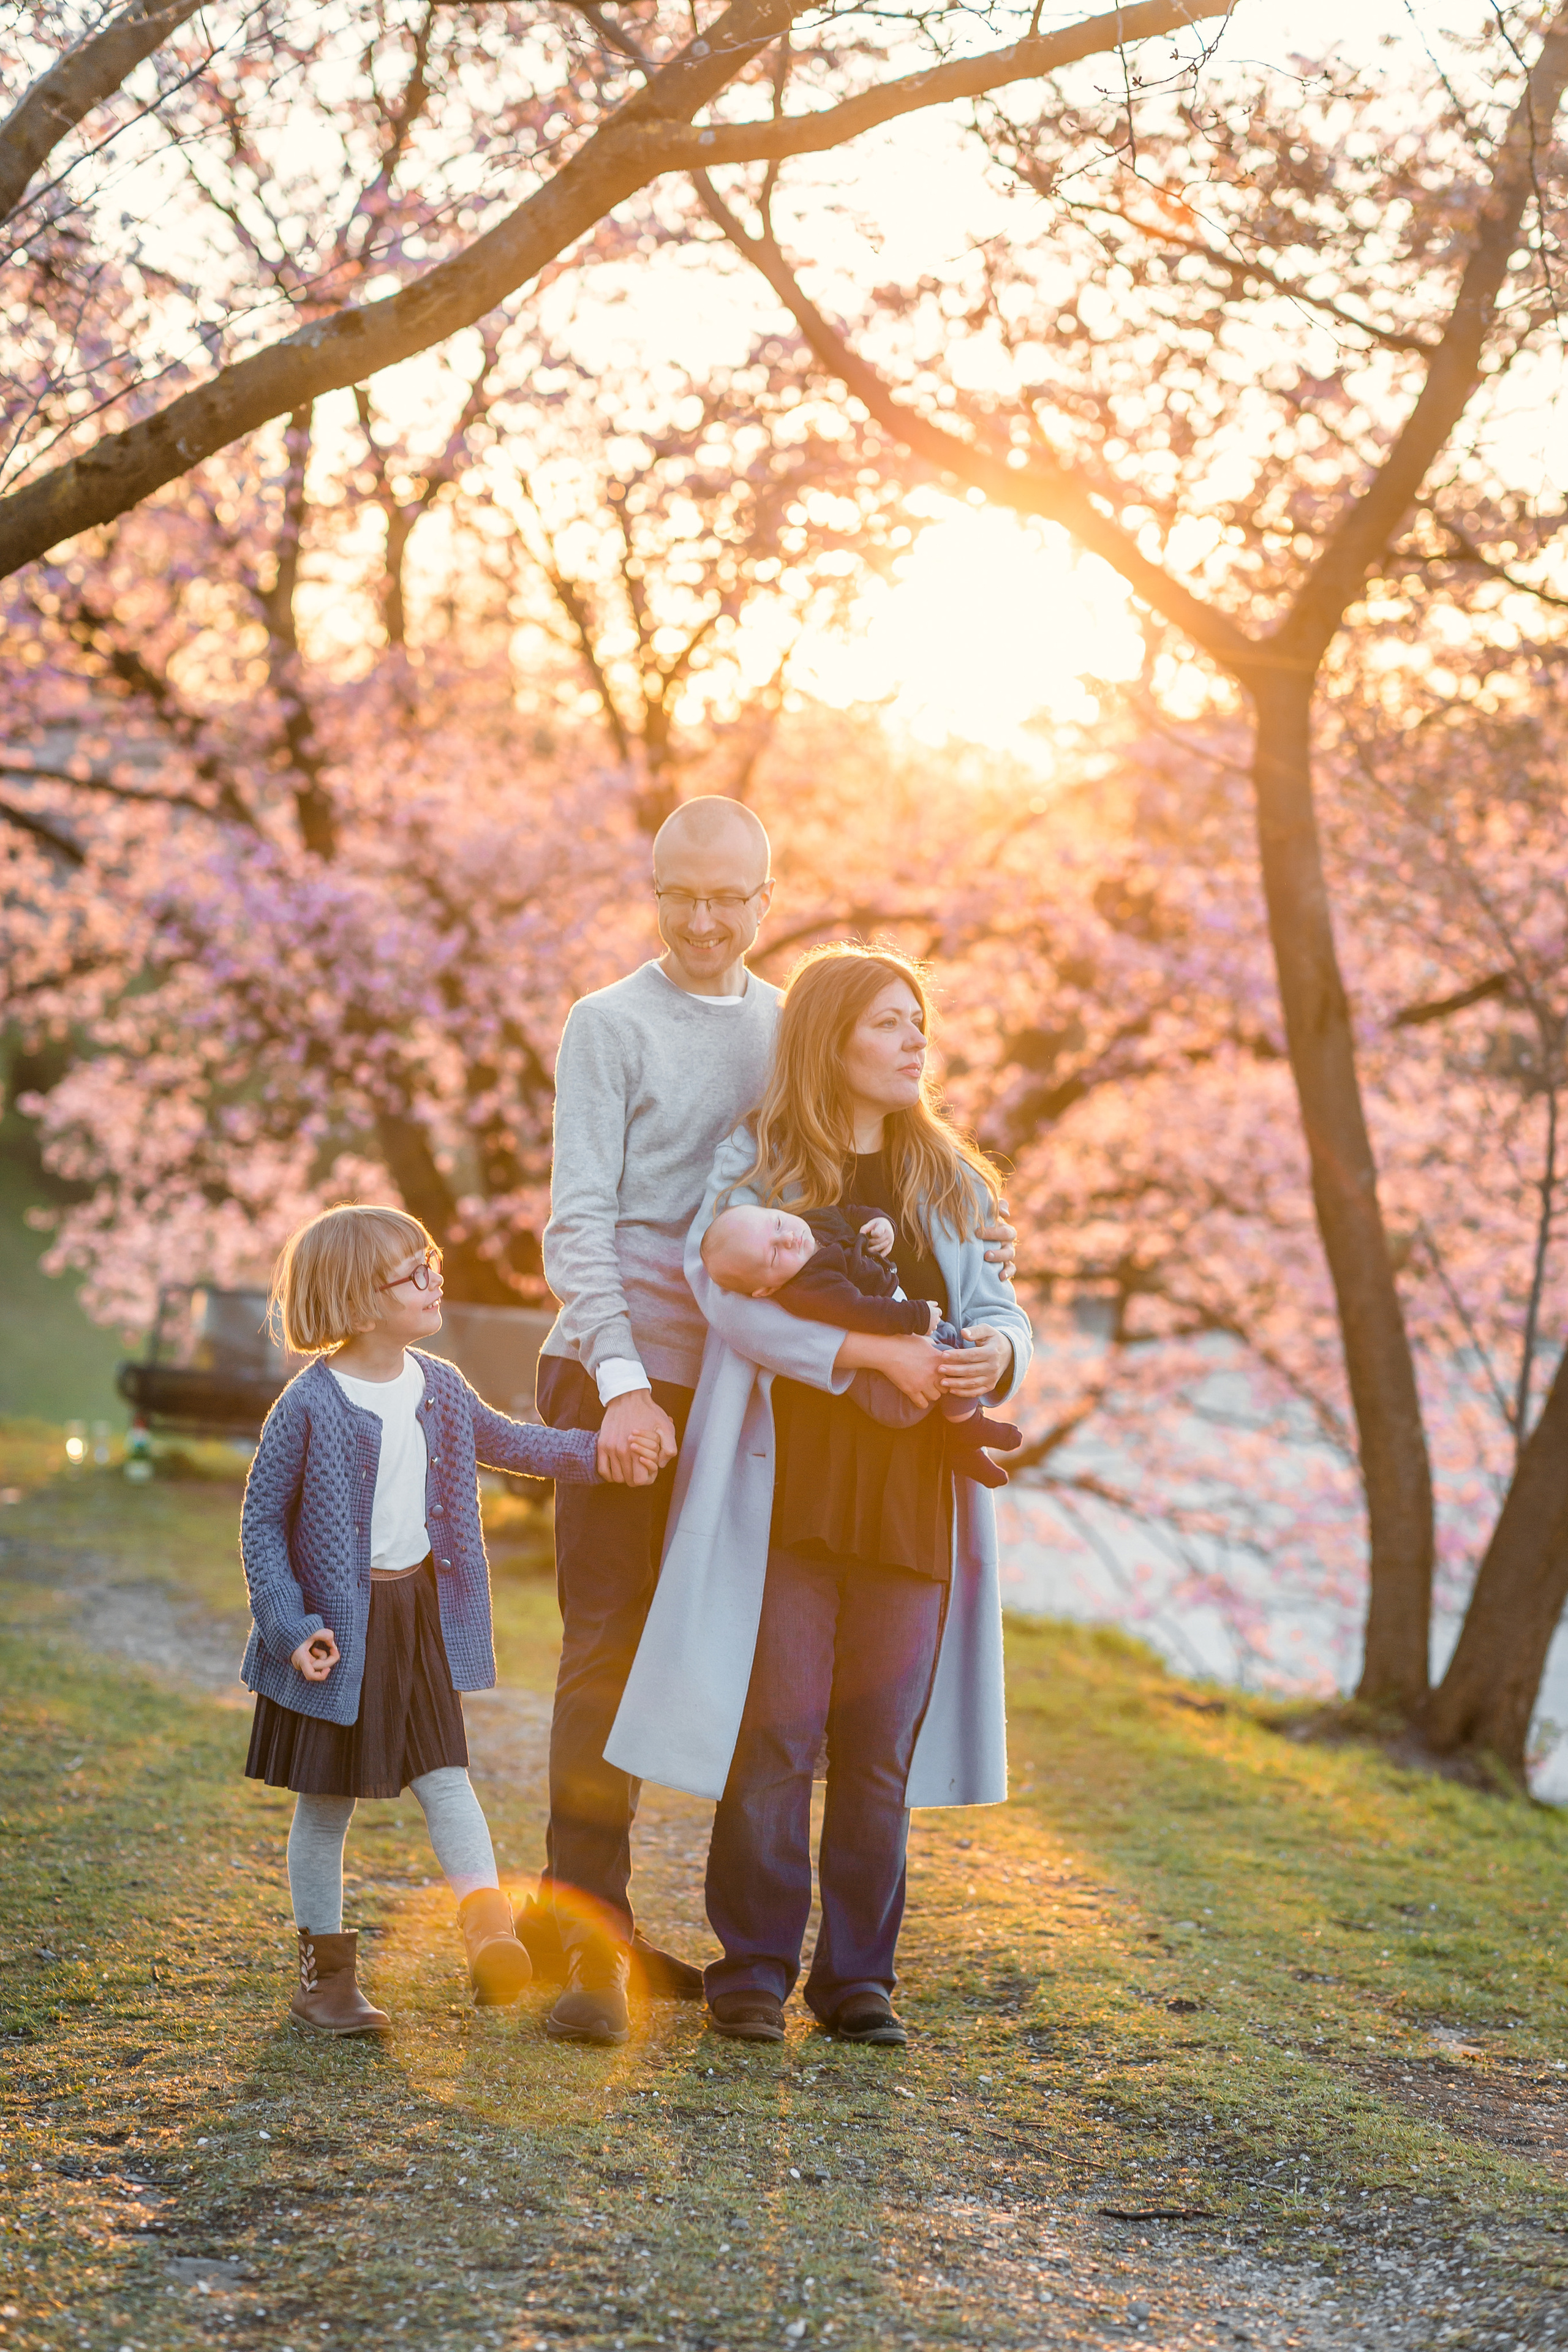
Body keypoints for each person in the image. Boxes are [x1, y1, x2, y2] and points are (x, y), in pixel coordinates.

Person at [528, 796, 1022, 2046]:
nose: (701, 920)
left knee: (742, 1665)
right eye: (677, 895)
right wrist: (625, 1381)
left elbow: (894, 1179)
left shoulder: (785, 1030)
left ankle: (793, 1956)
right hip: (623, 1367)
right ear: (653, 891)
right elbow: (578, 1225)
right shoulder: (608, 1024)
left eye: (726, 898)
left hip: (759, 1404)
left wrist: (982, 1304)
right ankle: (587, 1937)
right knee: (606, 1649)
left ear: (762, 900)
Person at [240, 1202, 648, 2037]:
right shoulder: (308, 1405)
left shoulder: (443, 1388)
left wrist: (604, 1452)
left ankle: (493, 1940)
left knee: (448, 1780)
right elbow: (259, 1524)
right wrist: (289, 1627)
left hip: (416, 1620)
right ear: (359, 1306)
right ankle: (327, 1980)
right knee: (325, 1805)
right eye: (414, 1271)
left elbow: (518, 1445)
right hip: (331, 1634)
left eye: (431, 1259)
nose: (437, 1279)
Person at [699, 1199, 1023, 1485]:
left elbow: (849, 1213)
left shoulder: (813, 1224)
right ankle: (966, 1432)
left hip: (914, 1344)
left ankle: (963, 1439)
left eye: (778, 1222)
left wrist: (882, 1223)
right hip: (887, 1394)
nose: (787, 1238)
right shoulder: (809, 1287)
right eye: (773, 1254)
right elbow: (859, 1311)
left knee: (959, 1347)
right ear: (766, 1290)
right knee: (947, 1366)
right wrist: (915, 1316)